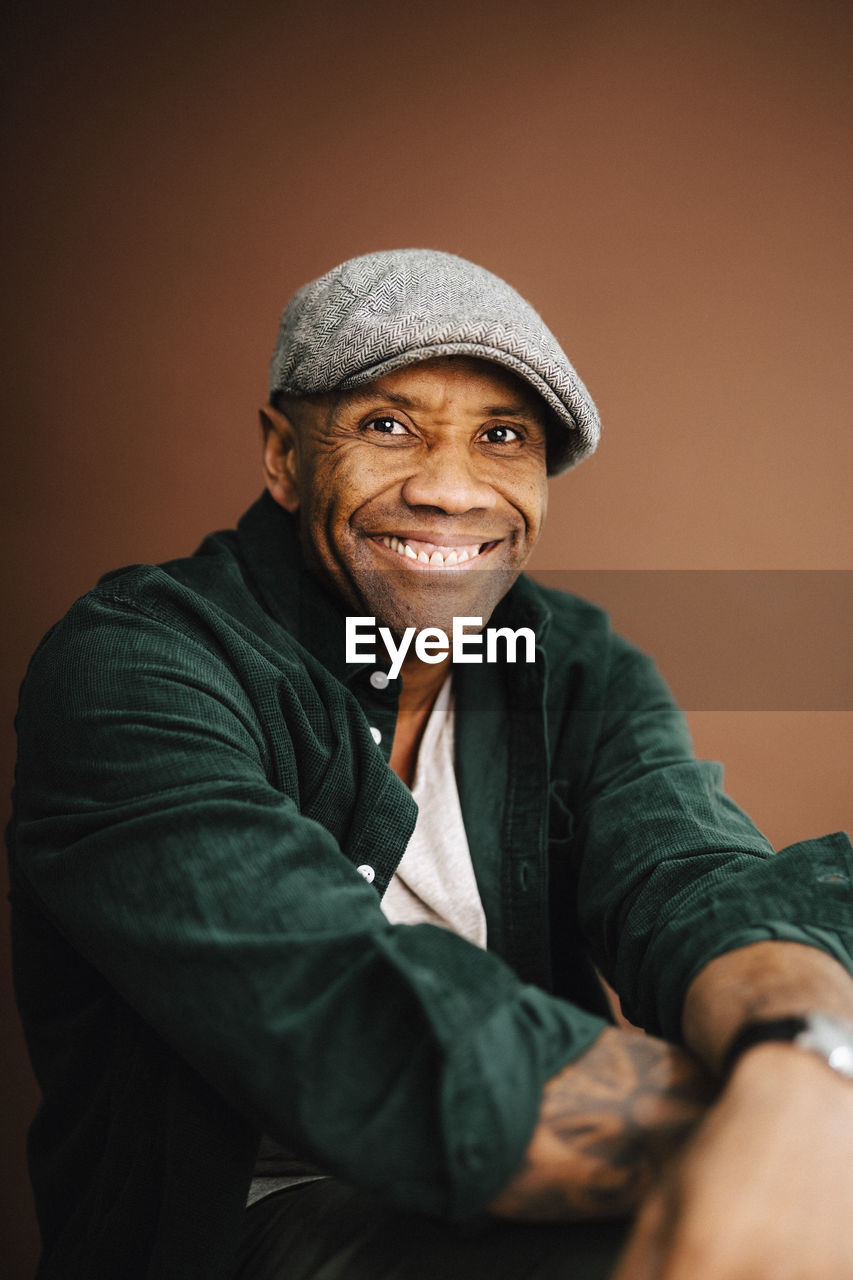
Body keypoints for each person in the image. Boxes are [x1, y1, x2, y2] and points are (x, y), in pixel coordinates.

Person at [8, 249, 853, 1280]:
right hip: (245, 1219)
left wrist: (809, 1063)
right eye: (386, 426)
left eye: (502, 437)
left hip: (550, 1191)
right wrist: (788, 1132)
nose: (451, 490)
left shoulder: (574, 661)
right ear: (282, 455)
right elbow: (341, 1011)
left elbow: (697, 879)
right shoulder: (138, 661)